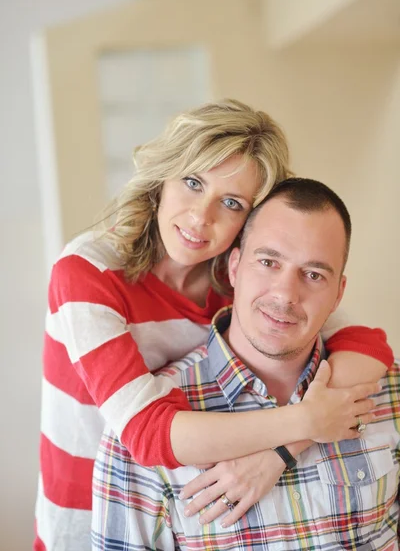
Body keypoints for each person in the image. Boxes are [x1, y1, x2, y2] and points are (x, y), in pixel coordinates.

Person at [34, 100, 393, 551]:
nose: (201, 217)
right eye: (191, 182)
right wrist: (307, 420)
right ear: (161, 177)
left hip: (195, 502)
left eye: (231, 202)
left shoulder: (238, 278)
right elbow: (148, 434)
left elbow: (367, 346)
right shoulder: (87, 272)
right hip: (89, 505)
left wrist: (280, 451)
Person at [92, 178, 399, 551]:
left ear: (338, 294)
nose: (286, 294)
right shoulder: (143, 429)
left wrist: (280, 452)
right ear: (234, 267)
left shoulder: (385, 389)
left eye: (314, 274)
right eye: (268, 262)